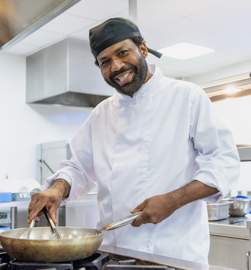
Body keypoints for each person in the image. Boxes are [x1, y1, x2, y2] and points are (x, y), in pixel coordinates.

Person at [28, 17, 240, 264]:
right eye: (105, 62)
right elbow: (78, 168)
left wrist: (173, 200)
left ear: (143, 49)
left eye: (122, 53)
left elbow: (224, 163)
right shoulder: (101, 113)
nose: (116, 66)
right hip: (112, 254)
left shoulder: (186, 97)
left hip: (172, 255)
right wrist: (56, 189)